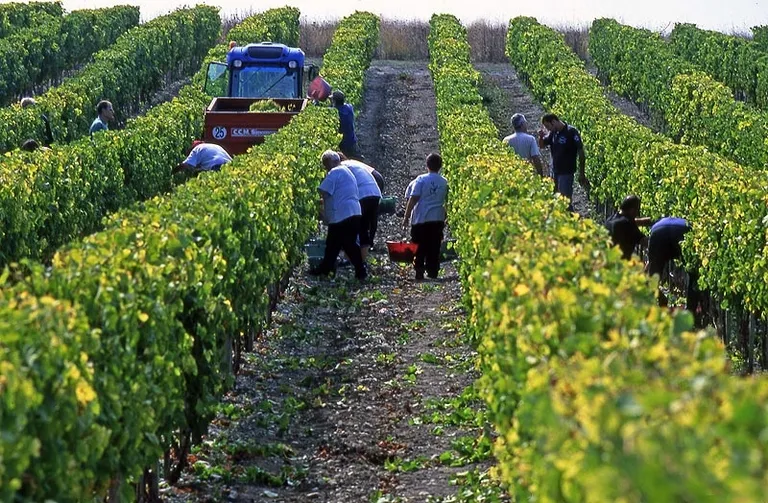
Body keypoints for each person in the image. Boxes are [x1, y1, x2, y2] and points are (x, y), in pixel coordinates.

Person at [310, 150, 367, 281]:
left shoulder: (335, 172)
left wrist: (314, 204)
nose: (325, 167)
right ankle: (326, 269)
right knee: (333, 244)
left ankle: (361, 271)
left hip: (343, 214)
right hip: (352, 212)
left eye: (326, 164)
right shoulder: (346, 171)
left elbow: (323, 190)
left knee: (348, 244)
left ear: (331, 162)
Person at [403, 153, 449, 280]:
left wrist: (406, 217)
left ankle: (419, 270)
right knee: (434, 246)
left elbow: (413, 199)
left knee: (419, 246)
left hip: (421, 219)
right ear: (440, 166)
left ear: (427, 165)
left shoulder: (421, 180)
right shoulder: (444, 182)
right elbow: (447, 202)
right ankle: (433, 271)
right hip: (437, 219)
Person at [646, 217, 700, 311]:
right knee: (693, 274)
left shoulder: (658, 222)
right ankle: (691, 311)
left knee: (653, 275)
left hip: (658, 233)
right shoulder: (687, 222)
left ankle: (655, 303)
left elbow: (651, 267)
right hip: (683, 231)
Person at [537, 113, 587, 211]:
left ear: (554, 122)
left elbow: (581, 152)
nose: (548, 129)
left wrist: (582, 173)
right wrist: (541, 136)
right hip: (555, 172)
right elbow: (542, 146)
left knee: (565, 202)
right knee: (555, 199)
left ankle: (571, 221)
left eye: (548, 126)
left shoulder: (571, 132)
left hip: (566, 173)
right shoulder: (553, 133)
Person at [340, 154, 382, 260]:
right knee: (364, 225)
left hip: (363, 193)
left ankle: (348, 258)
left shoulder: (340, 168)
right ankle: (362, 259)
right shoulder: (351, 164)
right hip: (374, 191)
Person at [604, 195, 653, 260]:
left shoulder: (610, 219)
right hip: (620, 265)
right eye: (637, 210)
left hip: (606, 260)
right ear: (632, 210)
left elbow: (635, 222)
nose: (637, 214)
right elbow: (644, 241)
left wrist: (651, 221)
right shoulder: (627, 224)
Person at [332, 90, 359, 159]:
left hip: (343, 144)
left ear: (334, 101)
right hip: (352, 141)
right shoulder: (349, 107)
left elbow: (331, 110)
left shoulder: (336, 112)